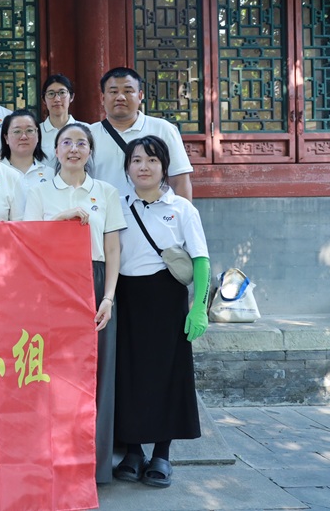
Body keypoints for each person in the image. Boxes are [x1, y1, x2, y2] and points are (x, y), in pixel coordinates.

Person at [23, 122, 124, 484]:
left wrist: (109, 297)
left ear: (90, 152)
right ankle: (50, 460)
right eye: (66, 142)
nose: (74, 149)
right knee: (51, 373)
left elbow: (113, 248)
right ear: (56, 150)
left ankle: (93, 467)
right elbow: (28, 242)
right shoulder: (39, 192)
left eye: (82, 143)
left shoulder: (106, 192)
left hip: (95, 282)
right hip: (50, 283)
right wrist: (60, 219)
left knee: (97, 373)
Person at [112, 135, 210, 489]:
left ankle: (162, 455)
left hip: (167, 299)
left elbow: (201, 259)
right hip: (126, 297)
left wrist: (199, 308)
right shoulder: (116, 205)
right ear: (127, 167)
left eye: (152, 160)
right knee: (128, 374)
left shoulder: (182, 209)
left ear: (164, 167)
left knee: (168, 375)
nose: (144, 167)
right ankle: (133, 451)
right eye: (137, 160)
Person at [89, 67, 193, 200]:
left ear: (140, 96)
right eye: (113, 92)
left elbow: (180, 181)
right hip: (104, 211)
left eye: (128, 91)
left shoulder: (163, 129)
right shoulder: (88, 135)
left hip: (153, 211)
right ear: (103, 98)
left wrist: (184, 212)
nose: (120, 97)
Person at [0, 109, 51, 190]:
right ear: (6, 138)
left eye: (29, 130)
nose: (24, 137)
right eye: (17, 131)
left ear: (38, 136)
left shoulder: (50, 174)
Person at [38, 74, 79, 160]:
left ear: (71, 97)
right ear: (44, 99)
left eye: (62, 93)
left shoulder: (86, 130)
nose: (57, 99)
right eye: (51, 94)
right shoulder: (36, 133)